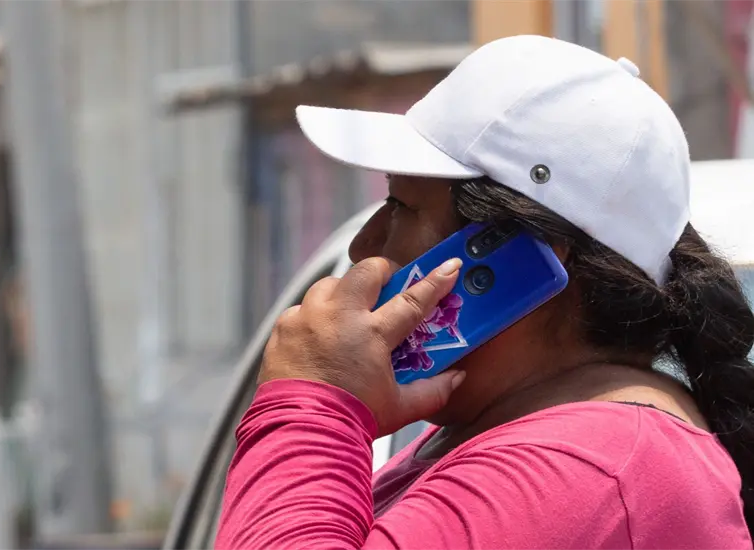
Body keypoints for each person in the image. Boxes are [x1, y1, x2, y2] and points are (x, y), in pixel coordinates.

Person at [213, 35, 754, 549]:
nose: (364, 245)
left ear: (520, 255)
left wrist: (315, 400)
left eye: (403, 207)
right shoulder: (540, 434)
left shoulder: (582, 468)